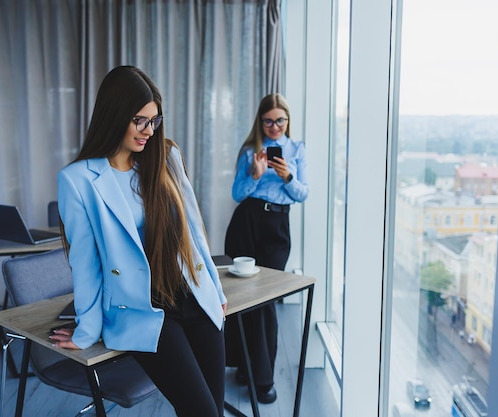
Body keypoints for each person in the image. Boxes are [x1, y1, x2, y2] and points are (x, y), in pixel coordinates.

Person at [50, 66, 228, 417]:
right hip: (144, 309)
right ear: (114, 115)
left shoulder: (166, 158)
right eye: (139, 121)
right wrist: (86, 330)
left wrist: (216, 291)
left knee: (213, 410)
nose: (149, 131)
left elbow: (194, 232)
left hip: (193, 293)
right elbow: (85, 263)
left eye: (154, 121)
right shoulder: (78, 180)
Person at [224, 93, 308, 404]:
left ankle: (264, 378)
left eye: (280, 120)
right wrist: (254, 176)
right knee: (240, 296)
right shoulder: (249, 152)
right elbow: (237, 194)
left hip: (277, 229)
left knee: (266, 300)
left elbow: (303, 194)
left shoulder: (297, 150)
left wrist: (288, 177)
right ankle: (243, 367)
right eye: (268, 121)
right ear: (260, 121)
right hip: (246, 223)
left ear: (288, 120)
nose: (274, 126)